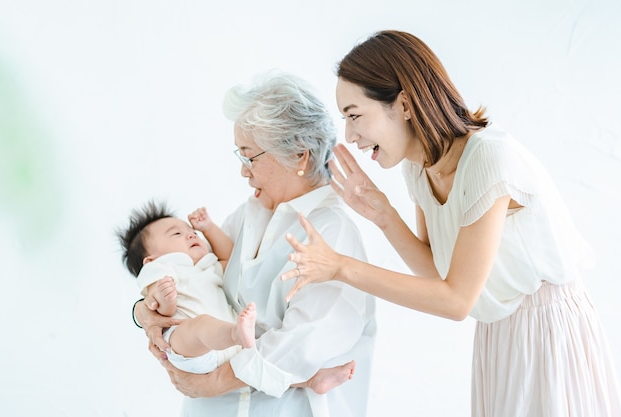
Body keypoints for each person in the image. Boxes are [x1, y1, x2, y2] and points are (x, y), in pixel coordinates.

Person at [281, 30, 621, 417]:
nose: (350, 135)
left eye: (355, 116)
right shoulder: (419, 170)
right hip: (498, 336)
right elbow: (436, 275)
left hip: (548, 331)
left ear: (404, 104)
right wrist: (383, 215)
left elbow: (458, 300)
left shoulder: (489, 159)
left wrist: (340, 267)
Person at [133, 72, 376, 417]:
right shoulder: (248, 215)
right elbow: (185, 270)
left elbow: (303, 345)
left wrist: (217, 380)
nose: (244, 172)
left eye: (250, 156)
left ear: (299, 156)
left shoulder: (332, 232)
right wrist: (144, 312)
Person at [117, 200, 355, 395]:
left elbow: (231, 259)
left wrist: (209, 228)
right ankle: (235, 333)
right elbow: (157, 307)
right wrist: (162, 300)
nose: (192, 235)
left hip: (228, 347)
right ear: (150, 259)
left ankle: (311, 380)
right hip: (186, 345)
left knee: (260, 361)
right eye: (178, 233)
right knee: (200, 325)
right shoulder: (162, 268)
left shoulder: (208, 264)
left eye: (193, 232)